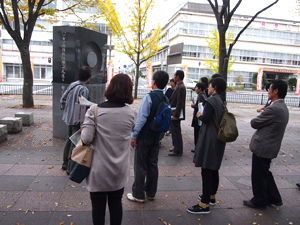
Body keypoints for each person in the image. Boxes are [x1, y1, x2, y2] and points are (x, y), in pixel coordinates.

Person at [81, 74, 137, 225]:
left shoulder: (94, 110)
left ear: (110, 87)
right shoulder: (132, 113)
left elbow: (85, 139)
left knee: (98, 207)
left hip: (98, 169)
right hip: (119, 170)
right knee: (116, 204)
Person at [243, 80, 289, 210]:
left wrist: (264, 112)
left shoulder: (274, 108)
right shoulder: (282, 107)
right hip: (270, 145)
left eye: (270, 89)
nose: (268, 91)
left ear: (276, 91)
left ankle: (259, 200)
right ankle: (274, 197)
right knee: (265, 173)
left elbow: (254, 123)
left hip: (263, 146)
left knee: (259, 175)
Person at [127, 70, 169, 203]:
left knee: (140, 165)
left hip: (144, 136)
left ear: (154, 82)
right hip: (156, 137)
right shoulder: (166, 98)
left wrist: (134, 135)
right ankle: (151, 192)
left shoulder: (149, 97)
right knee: (152, 164)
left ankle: (138, 194)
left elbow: (142, 118)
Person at [187, 77, 227, 214]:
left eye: (210, 86)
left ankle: (204, 204)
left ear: (214, 87)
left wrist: (199, 114)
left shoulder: (211, 101)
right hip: (218, 138)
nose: (208, 88)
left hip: (210, 138)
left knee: (206, 169)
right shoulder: (222, 100)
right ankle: (211, 197)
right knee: (214, 168)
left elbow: (205, 118)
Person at [60, 66, 92, 174]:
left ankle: (65, 163)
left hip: (68, 118)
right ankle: (70, 167)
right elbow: (84, 107)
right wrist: (84, 124)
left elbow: (62, 100)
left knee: (69, 140)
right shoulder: (84, 89)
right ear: (88, 77)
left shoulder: (72, 85)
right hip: (77, 120)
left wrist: (67, 111)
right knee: (75, 143)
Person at [168, 70, 186, 156]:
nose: (174, 77)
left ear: (178, 77)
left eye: (175, 75)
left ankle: (178, 149)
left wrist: (176, 115)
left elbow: (180, 102)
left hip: (176, 113)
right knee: (174, 131)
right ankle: (176, 147)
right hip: (174, 112)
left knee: (176, 131)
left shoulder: (181, 87)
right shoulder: (179, 86)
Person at [191, 82, 207, 153]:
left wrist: (194, 106)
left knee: (197, 134)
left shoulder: (201, 97)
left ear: (200, 89)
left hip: (198, 119)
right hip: (199, 119)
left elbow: (200, 108)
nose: (195, 89)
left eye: (196, 88)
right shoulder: (204, 96)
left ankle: (197, 147)